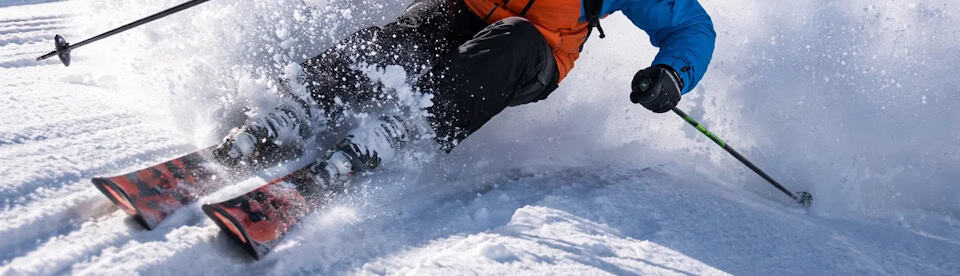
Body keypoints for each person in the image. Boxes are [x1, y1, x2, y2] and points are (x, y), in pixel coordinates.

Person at [214, 0, 716, 186]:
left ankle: (402, 132)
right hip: (464, 14)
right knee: (414, 28)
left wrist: (672, 73)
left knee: (517, 35)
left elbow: (691, 24)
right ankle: (301, 107)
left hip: (530, 58)